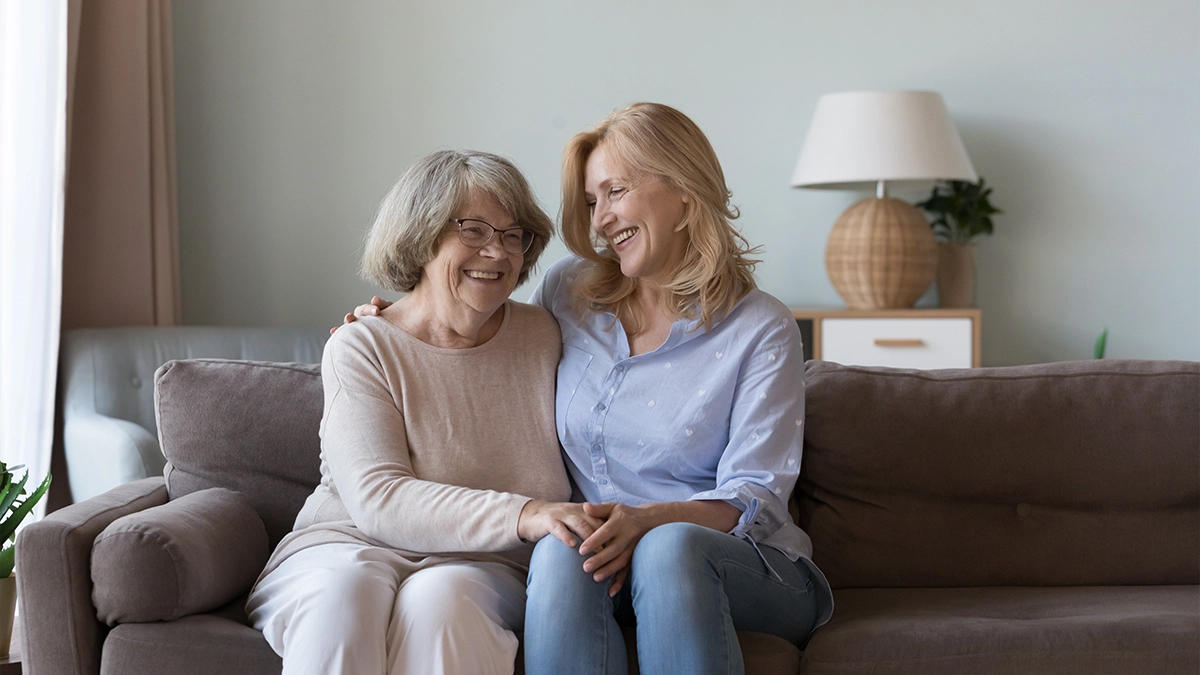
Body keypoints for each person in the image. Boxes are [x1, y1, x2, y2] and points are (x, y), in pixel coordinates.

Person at [349, 103, 833, 675]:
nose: (600, 220)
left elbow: (755, 495)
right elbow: (485, 341)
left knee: (667, 549)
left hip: (745, 564)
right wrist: (395, 323)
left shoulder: (761, 327)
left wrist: (647, 522)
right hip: (604, 560)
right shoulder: (569, 293)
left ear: (682, 190)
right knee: (561, 544)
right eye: (590, 202)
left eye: (615, 191)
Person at [247, 149, 601, 675]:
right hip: (347, 547)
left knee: (444, 599)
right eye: (475, 229)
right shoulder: (361, 345)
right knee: (346, 592)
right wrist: (524, 513)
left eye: (512, 235)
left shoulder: (547, 334)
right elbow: (378, 499)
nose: (498, 252)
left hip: (485, 564)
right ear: (422, 234)